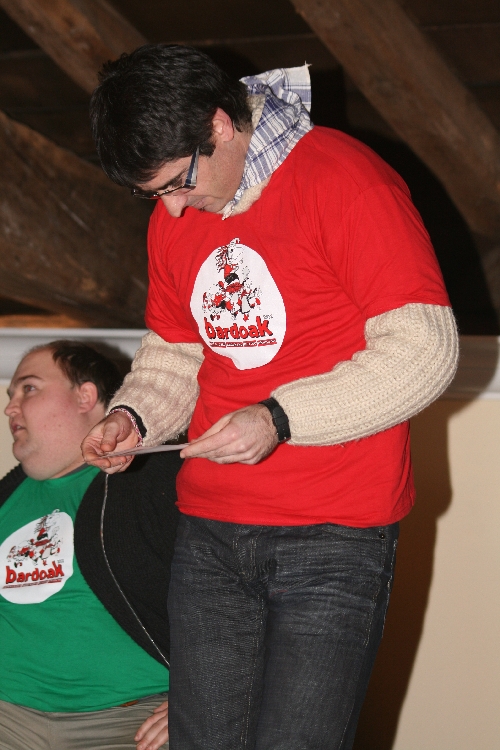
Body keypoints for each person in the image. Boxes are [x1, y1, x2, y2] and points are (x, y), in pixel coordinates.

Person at [84, 45, 459, 750]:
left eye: (177, 183)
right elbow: (178, 350)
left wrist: (280, 418)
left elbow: (425, 349)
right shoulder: (177, 211)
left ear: (220, 124)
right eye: (152, 194)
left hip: (334, 534)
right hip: (209, 531)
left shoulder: (347, 181)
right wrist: (134, 416)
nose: (172, 208)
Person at [1, 340, 180, 750]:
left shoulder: (155, 477)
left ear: (86, 396)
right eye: (11, 395)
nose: (11, 407)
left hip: (129, 720)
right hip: (9, 716)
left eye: (29, 388)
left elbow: (236, 590)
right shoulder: (6, 498)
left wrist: (205, 691)